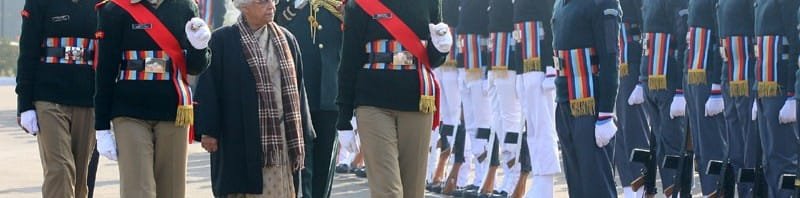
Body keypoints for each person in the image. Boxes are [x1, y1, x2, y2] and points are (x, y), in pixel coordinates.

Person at [195, 0, 315, 197]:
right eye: (262, 2)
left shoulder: (287, 39)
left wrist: (305, 130)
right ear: (243, 6)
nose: (272, 6)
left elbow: (299, 89)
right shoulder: (222, 40)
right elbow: (209, 88)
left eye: (273, 1)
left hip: (280, 139)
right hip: (238, 135)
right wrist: (209, 131)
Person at [93, 0, 211, 197]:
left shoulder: (185, 7)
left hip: (173, 109)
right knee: (138, 190)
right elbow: (105, 71)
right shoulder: (114, 9)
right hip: (129, 111)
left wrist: (200, 47)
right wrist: (101, 126)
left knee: (171, 190)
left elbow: (194, 67)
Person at [336, 0, 453, 196]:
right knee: (388, 191)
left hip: (416, 100)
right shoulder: (359, 4)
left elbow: (431, 59)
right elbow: (349, 61)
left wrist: (441, 49)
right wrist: (343, 119)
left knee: (413, 191)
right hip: (373, 102)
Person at [16, 0, 99, 197]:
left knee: (81, 178)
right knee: (60, 169)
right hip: (48, 97)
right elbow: (27, 52)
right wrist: (24, 104)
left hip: (88, 98)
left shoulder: (103, 5)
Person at [550, 0, 620, 197]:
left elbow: (609, 58)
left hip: (590, 105)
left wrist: (606, 113)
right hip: (565, 102)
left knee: (596, 184)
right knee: (577, 185)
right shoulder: (560, 5)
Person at [274, 0, 343, 197]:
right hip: (296, 91)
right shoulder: (287, 4)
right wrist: (296, 6)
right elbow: (276, 26)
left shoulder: (338, 4)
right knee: (300, 163)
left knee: (324, 163)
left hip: (330, 92)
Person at [628, 0, 689, 192]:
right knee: (660, 145)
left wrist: (680, 90)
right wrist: (640, 79)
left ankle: (679, 190)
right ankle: (669, 188)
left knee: (672, 142)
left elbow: (682, 42)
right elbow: (645, 43)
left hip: (668, 77)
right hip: (650, 78)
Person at [511, 0, 562, 197]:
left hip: (540, 64)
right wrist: (518, 71)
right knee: (531, 129)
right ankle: (539, 177)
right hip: (525, 62)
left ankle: (546, 183)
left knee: (542, 127)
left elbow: (551, 21)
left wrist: (551, 67)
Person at [753, 0, 800, 197]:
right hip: (765, 86)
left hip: (780, 86)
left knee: (784, 159)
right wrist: (757, 92)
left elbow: (795, 43)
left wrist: (791, 95)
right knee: (769, 160)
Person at [684, 0, 727, 195]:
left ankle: (718, 191)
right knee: (700, 150)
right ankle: (709, 191)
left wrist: (717, 86)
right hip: (694, 72)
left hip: (709, 74)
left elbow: (721, 36)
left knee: (712, 147)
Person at [717, 0, 757, 196]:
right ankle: (742, 191)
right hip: (729, 68)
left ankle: (750, 191)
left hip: (747, 67)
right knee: (734, 145)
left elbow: (758, 27)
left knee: (749, 142)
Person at [614, 1, 649, 198]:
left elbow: (648, 26)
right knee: (618, 130)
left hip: (633, 61)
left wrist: (641, 79)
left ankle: (643, 187)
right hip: (616, 60)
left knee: (635, 129)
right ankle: (628, 187)